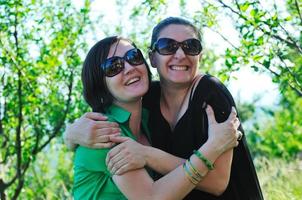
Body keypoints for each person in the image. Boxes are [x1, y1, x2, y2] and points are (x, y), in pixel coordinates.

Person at [66, 17, 263, 200]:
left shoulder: (151, 108)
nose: (180, 54)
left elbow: (217, 182)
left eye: (133, 57)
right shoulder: (108, 131)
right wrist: (70, 134)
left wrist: (146, 155)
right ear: (153, 58)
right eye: (113, 67)